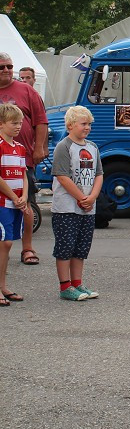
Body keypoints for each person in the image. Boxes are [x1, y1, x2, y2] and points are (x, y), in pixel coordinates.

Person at [50, 105, 102, 301]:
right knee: (65, 247)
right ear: (70, 125)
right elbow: (63, 177)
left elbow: (99, 174)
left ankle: (77, 283)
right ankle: (65, 286)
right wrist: (81, 198)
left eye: (89, 124)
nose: (87, 127)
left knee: (81, 248)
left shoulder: (93, 147)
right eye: (83, 124)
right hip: (66, 207)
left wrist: (92, 197)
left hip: (88, 208)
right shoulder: (64, 147)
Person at [0, 53, 47, 267]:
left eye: (10, 66)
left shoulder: (26, 90)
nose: (7, 70)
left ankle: (27, 248)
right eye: (2, 67)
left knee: (25, 203)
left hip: (22, 157)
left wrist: (39, 148)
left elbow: (40, 121)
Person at [0, 103, 29, 306]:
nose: (18, 126)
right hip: (3, 201)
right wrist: (13, 196)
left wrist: (24, 197)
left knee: (7, 244)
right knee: (4, 243)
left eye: (20, 123)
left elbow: (24, 175)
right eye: (14, 123)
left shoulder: (19, 148)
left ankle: (3, 285)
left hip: (16, 202)